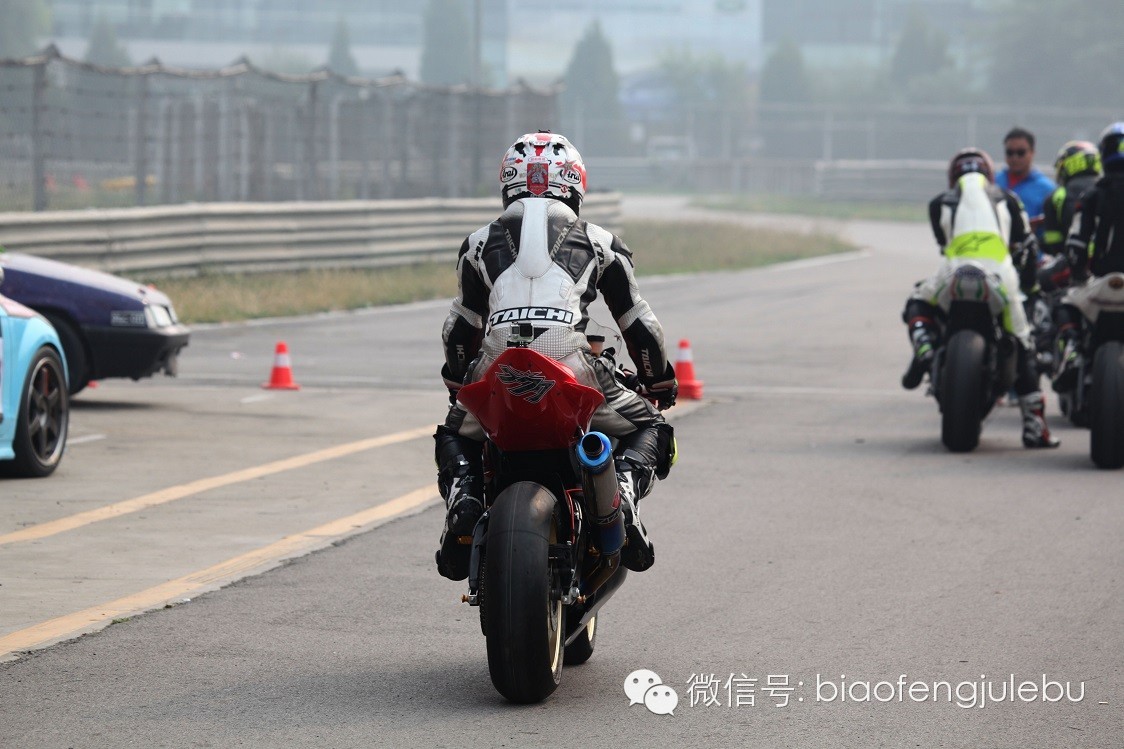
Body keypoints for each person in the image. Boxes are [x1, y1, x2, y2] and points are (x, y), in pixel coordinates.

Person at [433, 131, 678, 581]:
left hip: (496, 365)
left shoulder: (478, 243)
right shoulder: (601, 241)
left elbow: (459, 329)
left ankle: (465, 496)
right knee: (654, 427)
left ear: (508, 182)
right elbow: (640, 326)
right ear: (576, 184)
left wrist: (458, 383)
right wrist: (657, 380)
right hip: (572, 363)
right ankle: (621, 491)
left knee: (453, 433)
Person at [900, 147, 1059, 448]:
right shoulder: (1009, 199)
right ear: (988, 174)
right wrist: (1030, 288)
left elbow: (942, 242)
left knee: (917, 301)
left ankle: (923, 347)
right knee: (1024, 341)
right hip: (1000, 274)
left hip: (954, 271)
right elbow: (1025, 248)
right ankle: (1034, 426)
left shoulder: (938, 203)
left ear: (952, 176)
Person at [1052, 123, 1124, 390]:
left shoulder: (1092, 194)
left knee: (1065, 305)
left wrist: (1078, 272)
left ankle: (1071, 350)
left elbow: (1077, 244)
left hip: (1101, 282)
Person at [1041, 140, 1102, 258]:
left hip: (1074, 263)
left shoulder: (1057, 196)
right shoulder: (1110, 189)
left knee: (1042, 275)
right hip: (1108, 262)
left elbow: (1053, 245)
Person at [996, 127, 1057, 229]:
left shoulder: (1048, 189)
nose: (1015, 158)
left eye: (1021, 152)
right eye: (1010, 152)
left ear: (1032, 152)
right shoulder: (993, 182)